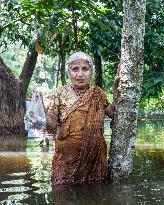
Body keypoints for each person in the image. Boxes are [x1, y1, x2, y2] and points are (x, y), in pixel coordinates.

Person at [45, 51, 114, 185]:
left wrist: (117, 92)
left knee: (95, 194)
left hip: (95, 161)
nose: (80, 74)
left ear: (91, 72)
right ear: (68, 72)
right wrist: (42, 109)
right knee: (63, 193)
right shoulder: (58, 94)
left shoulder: (98, 93)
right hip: (66, 162)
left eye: (85, 69)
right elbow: (51, 126)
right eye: (75, 69)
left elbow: (112, 113)